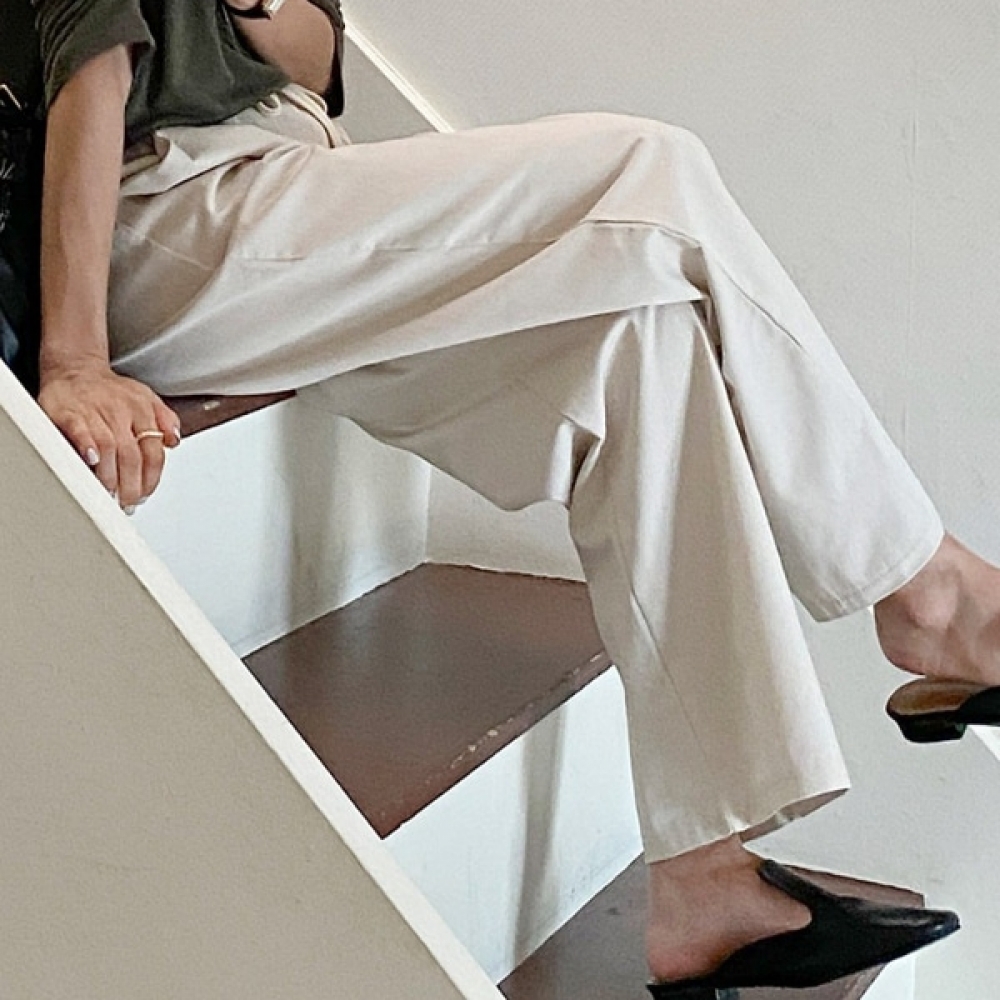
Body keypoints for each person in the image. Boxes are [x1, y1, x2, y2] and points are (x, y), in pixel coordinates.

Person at [24, 0, 1000, 995]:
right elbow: (89, 64)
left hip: (298, 193)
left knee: (641, 345)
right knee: (652, 169)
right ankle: (932, 594)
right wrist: (75, 358)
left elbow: (314, 67)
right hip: (167, 205)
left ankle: (704, 880)